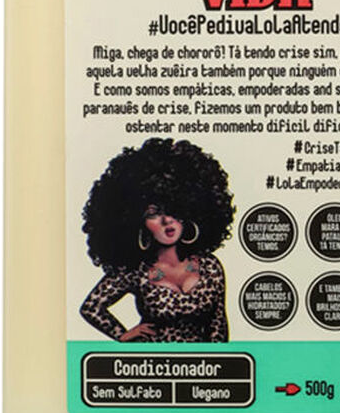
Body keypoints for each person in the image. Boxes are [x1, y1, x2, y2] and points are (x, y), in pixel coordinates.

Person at [79, 138, 235, 342]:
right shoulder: (136, 271)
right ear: (137, 222)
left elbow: (218, 322)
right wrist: (123, 335)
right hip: (152, 359)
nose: (167, 220)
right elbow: (91, 307)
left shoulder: (209, 266)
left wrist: (218, 358)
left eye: (174, 209)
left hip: (201, 360)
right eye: (153, 213)